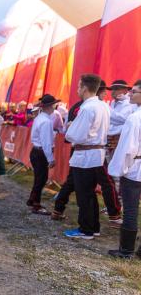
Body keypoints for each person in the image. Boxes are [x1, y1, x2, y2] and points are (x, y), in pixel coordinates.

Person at [64, 74, 110, 239]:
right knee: (90, 193)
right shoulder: (103, 105)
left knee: (84, 194)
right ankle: (93, 227)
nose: (77, 89)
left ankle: (86, 229)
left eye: (79, 86)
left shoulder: (87, 108)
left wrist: (70, 127)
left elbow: (76, 135)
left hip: (85, 156)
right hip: (96, 154)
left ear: (84, 88)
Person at [107, 80, 141, 259]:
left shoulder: (134, 118)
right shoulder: (134, 115)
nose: (129, 94)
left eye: (134, 92)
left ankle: (126, 250)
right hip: (136, 165)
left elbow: (127, 148)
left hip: (134, 168)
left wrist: (120, 170)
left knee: (130, 210)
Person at [27, 95, 58, 215]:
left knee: (39, 178)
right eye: (54, 104)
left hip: (36, 151)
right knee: (41, 179)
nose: (55, 107)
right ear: (50, 106)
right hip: (40, 152)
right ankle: (36, 204)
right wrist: (51, 159)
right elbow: (46, 143)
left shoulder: (40, 118)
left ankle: (33, 200)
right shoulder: (46, 121)